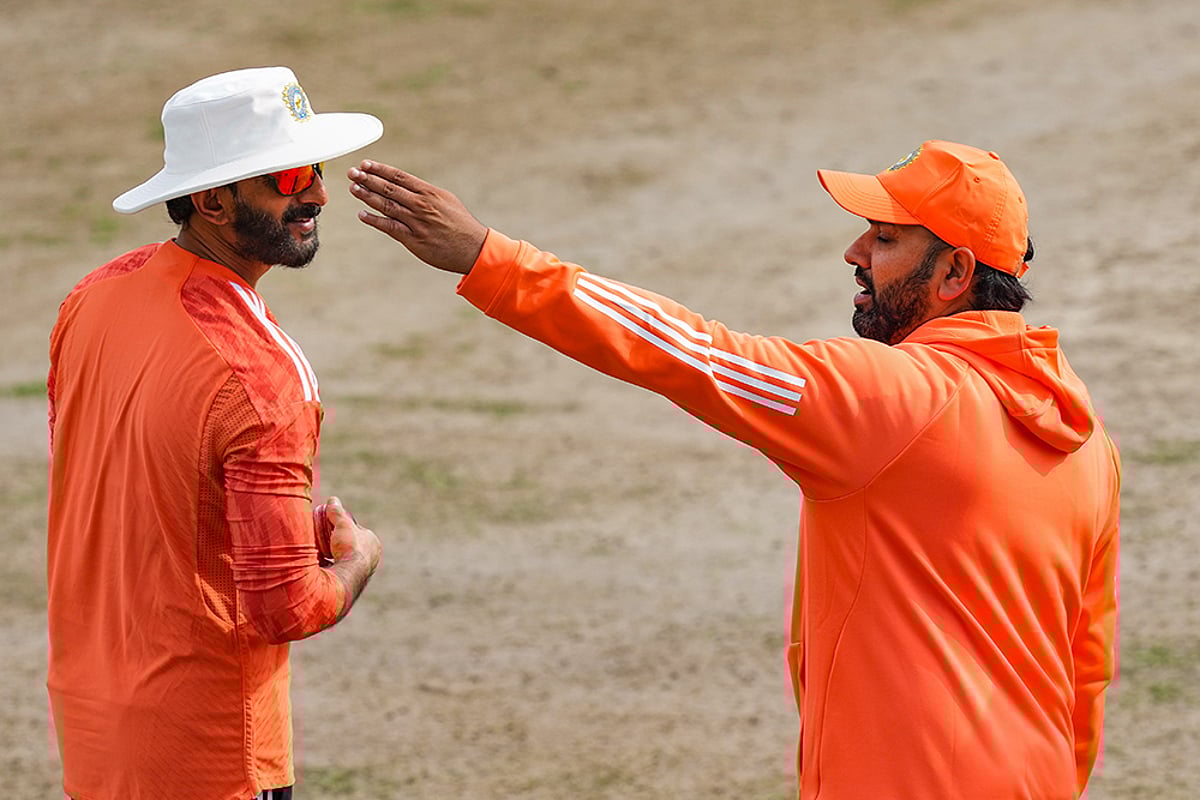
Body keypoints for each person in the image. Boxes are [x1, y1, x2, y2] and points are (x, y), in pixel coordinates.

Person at [347, 140, 1120, 799]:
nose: (853, 254)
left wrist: (490, 259)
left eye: (883, 240)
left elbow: (690, 352)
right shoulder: (1090, 445)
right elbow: (1088, 664)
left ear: (954, 272)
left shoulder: (893, 397)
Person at [47, 67, 385, 800]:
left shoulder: (93, 300)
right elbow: (287, 606)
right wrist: (357, 560)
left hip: (94, 727)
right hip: (209, 752)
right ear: (211, 201)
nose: (318, 195)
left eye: (315, 170)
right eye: (289, 176)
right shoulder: (258, 374)